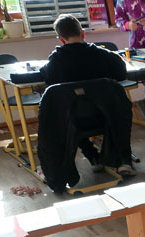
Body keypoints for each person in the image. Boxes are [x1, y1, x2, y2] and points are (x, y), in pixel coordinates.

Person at [39, 14, 134, 176]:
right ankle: (124, 160)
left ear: (61, 40)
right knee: (117, 108)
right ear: (83, 33)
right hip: (107, 115)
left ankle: (92, 156)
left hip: (74, 120)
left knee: (70, 107)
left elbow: (50, 83)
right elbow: (121, 74)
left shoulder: (55, 62)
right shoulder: (104, 55)